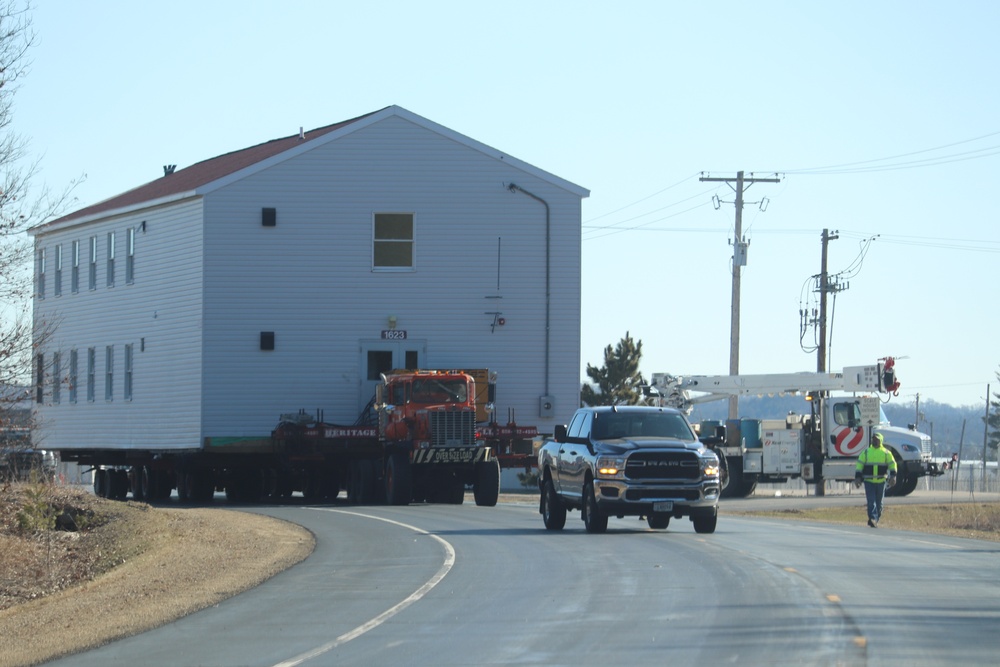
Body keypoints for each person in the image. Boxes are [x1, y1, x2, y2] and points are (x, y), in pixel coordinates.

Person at [854, 432, 897, 527]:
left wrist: (893, 476)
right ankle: (872, 518)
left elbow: (892, 464)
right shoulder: (866, 452)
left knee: (879, 503)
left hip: (881, 481)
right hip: (869, 481)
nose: (875, 440)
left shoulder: (886, 453)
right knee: (871, 501)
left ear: (880, 441)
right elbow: (860, 465)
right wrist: (858, 477)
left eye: (877, 439)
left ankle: (876, 518)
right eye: (873, 439)